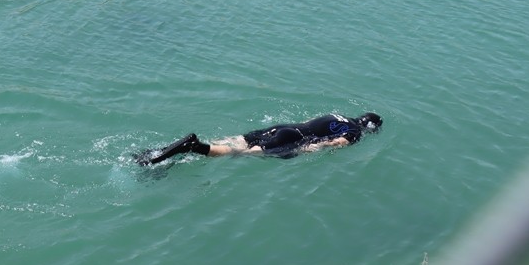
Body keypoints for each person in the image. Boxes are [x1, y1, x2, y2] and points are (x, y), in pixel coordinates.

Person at [134, 112, 383, 166]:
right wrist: (305, 150)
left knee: (236, 141)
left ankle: (157, 152)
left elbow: (315, 124)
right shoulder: (355, 132)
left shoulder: (337, 114)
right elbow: (331, 143)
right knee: (241, 153)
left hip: (284, 127)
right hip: (293, 138)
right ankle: (194, 147)